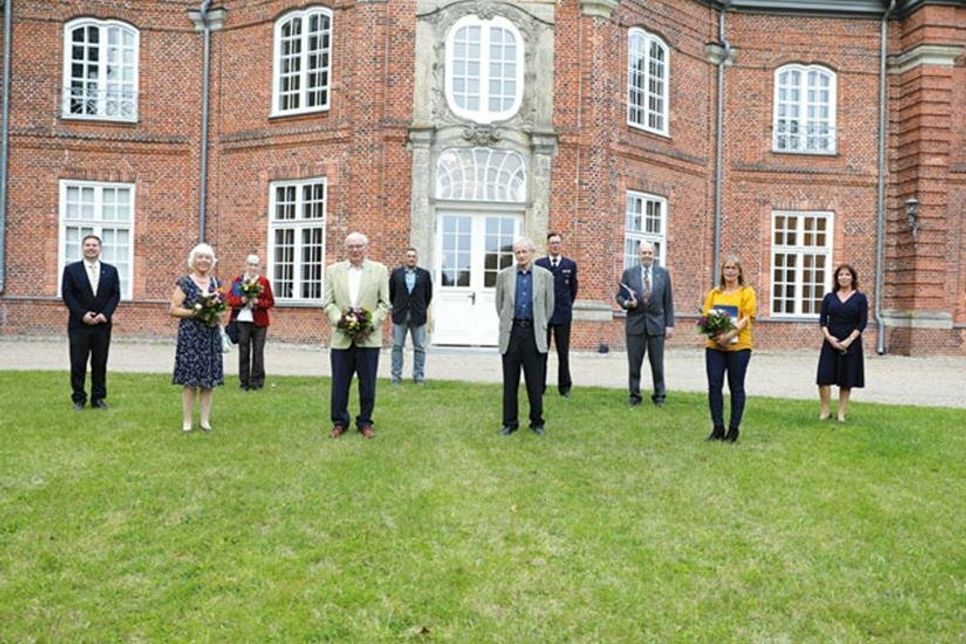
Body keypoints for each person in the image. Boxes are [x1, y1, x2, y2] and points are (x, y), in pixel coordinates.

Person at [323, 232, 391, 439]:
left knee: (368, 385)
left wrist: (369, 326)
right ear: (346, 249)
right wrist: (342, 322)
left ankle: (365, 422)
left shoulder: (379, 271)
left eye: (359, 246)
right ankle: (339, 422)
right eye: (351, 246)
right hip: (341, 338)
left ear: (366, 248)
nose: (355, 250)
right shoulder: (333, 271)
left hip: (368, 339)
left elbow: (384, 304)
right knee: (339, 384)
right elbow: (328, 303)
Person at [495, 236, 555, 436]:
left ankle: (536, 421)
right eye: (517, 252)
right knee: (510, 382)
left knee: (534, 382)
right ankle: (509, 422)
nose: (521, 256)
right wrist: (508, 322)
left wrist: (540, 323)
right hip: (512, 334)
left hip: (533, 333)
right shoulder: (504, 276)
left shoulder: (545, 276)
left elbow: (549, 306)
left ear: (532, 253)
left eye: (524, 252)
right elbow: (499, 305)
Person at [169, 243, 225, 433]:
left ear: (212, 261)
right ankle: (187, 420)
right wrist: (195, 312)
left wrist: (216, 312)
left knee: (208, 380)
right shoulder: (185, 282)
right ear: (193, 260)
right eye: (200, 257)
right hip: (191, 335)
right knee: (190, 380)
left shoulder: (216, 283)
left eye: (207, 258)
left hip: (210, 335)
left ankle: (204, 420)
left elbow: (221, 309)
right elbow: (173, 309)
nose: (204, 261)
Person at [61, 234, 121, 410]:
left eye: (94, 245)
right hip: (79, 325)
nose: (91, 248)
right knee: (78, 362)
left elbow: (115, 295)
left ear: (100, 248)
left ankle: (98, 398)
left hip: (102, 325)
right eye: (87, 245)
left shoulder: (111, 271)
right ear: (82, 248)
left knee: (99, 363)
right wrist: (82, 315)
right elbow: (67, 295)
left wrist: (105, 314)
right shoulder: (71, 270)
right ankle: (79, 398)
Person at [701, 256, 757, 443]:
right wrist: (716, 336)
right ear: (722, 271)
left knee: (736, 386)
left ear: (739, 271)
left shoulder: (747, 292)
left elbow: (746, 318)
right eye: (727, 268)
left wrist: (729, 335)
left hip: (739, 347)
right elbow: (706, 318)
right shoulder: (714, 293)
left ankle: (733, 429)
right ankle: (717, 427)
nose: (730, 271)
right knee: (714, 386)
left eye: (734, 268)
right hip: (715, 347)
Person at [616, 242, 675, 408]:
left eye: (650, 253)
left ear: (654, 255)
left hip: (657, 325)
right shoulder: (629, 274)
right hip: (635, 324)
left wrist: (669, 325)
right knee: (634, 363)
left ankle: (659, 396)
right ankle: (634, 395)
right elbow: (619, 297)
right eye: (644, 253)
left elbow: (668, 301)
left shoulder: (663, 274)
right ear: (639, 254)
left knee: (657, 363)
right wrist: (627, 303)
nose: (647, 255)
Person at [816, 264, 868, 423]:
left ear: (852, 278)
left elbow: (862, 322)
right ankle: (825, 410)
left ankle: (841, 413)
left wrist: (848, 341)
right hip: (830, 341)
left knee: (846, 379)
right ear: (836, 278)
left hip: (851, 342)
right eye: (840, 275)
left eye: (847, 274)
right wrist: (829, 338)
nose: (843, 277)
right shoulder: (829, 298)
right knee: (824, 377)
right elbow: (822, 321)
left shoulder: (860, 298)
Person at [534, 232, 578, 398]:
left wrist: (566, 305)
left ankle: (565, 387)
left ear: (561, 245)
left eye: (557, 243)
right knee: (541, 352)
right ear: (548, 245)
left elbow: (573, 289)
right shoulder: (540, 264)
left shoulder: (570, 265)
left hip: (562, 315)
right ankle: (539, 387)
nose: (555, 245)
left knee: (563, 353)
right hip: (544, 315)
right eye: (552, 243)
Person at [226, 255, 275, 391]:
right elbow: (229, 300)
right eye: (250, 264)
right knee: (244, 351)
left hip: (260, 322)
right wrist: (241, 300)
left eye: (255, 265)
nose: (253, 267)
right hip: (242, 321)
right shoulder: (238, 281)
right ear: (246, 265)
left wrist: (257, 302)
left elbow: (270, 302)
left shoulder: (264, 282)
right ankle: (244, 382)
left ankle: (257, 382)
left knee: (258, 352)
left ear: (259, 267)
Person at [389, 247, 433, 385]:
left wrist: (420, 308)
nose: (411, 259)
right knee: (397, 346)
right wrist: (398, 306)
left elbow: (428, 295)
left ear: (417, 259)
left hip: (418, 315)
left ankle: (418, 376)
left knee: (419, 347)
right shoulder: (396, 274)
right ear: (405, 258)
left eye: (413, 256)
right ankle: (396, 376)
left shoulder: (424, 274)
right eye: (409, 256)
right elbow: (391, 294)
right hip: (400, 314)